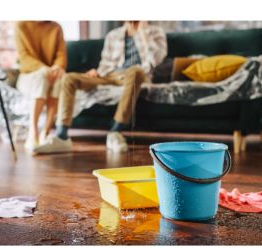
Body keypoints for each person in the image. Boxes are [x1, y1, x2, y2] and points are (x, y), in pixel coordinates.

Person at [33, 21, 167, 155]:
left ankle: (115, 131)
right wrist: (97, 72)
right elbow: (105, 63)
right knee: (69, 78)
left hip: (134, 75)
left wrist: (143, 33)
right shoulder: (113, 35)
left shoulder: (155, 32)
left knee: (136, 71)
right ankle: (62, 136)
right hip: (109, 75)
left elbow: (155, 60)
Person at [15, 21, 67, 152]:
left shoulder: (56, 27)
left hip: (51, 74)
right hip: (28, 75)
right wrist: (43, 68)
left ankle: (46, 131)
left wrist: (57, 67)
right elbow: (24, 57)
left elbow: (61, 55)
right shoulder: (21, 25)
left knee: (62, 79)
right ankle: (33, 133)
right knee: (41, 77)